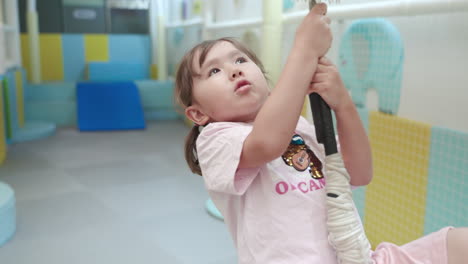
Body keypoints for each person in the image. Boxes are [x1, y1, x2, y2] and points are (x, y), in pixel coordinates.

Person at [174, 3, 468, 264]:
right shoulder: (215, 139)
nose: (234, 71)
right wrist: (303, 50)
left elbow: (360, 173)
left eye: (240, 60)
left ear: (264, 78)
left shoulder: (299, 127)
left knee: (459, 243)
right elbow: (266, 144)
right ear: (198, 114)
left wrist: (343, 104)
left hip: (355, 256)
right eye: (213, 71)